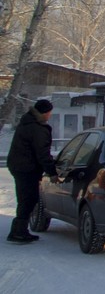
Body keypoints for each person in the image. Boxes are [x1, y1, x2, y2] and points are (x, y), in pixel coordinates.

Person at [6, 98, 58, 244]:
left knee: (25, 198)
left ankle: (18, 230)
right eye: (49, 113)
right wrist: (52, 171)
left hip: (19, 166)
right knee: (28, 199)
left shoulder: (27, 123)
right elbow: (42, 153)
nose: (50, 115)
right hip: (27, 168)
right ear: (45, 112)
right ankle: (18, 232)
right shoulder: (37, 128)